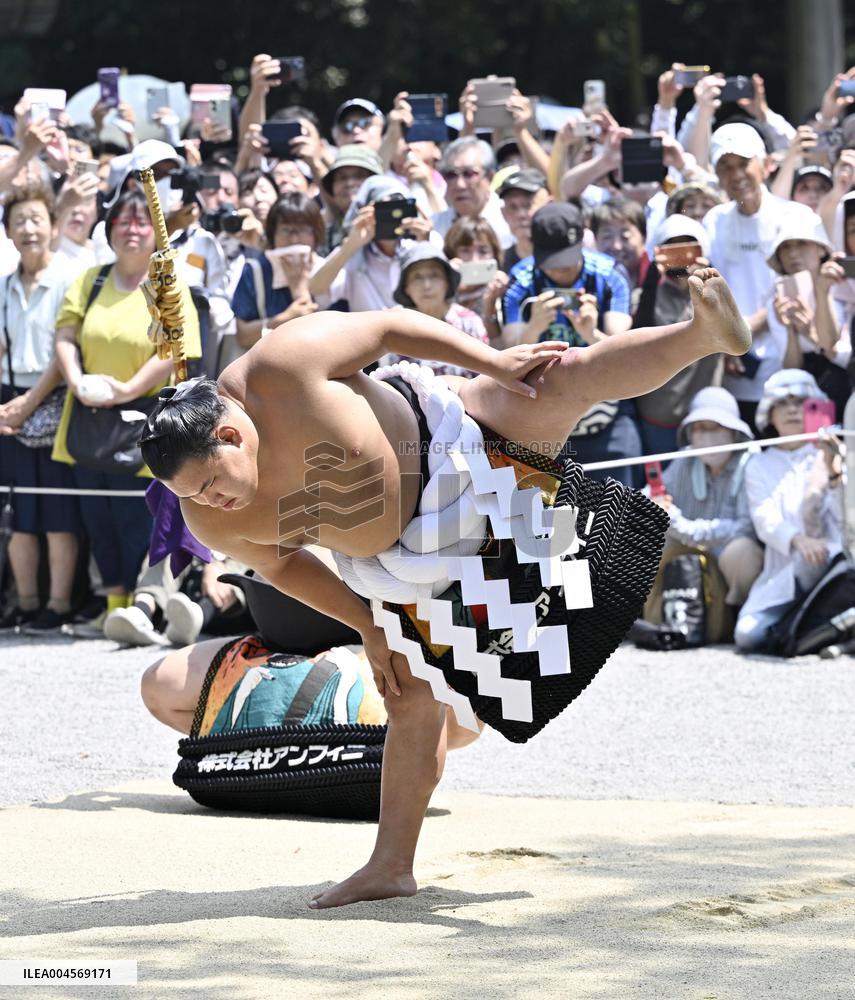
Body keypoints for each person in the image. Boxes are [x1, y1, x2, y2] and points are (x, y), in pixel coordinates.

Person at [139, 266, 750, 909]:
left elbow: (387, 327)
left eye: (211, 483)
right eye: (192, 497)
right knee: (409, 700)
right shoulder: (208, 512)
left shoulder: (283, 363)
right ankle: (391, 865)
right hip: (398, 569)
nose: (213, 504)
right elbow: (286, 565)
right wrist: (371, 628)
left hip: (456, 449)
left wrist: (492, 358)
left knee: (559, 382)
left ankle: (700, 334)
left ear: (231, 434)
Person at [52, 189, 201, 618]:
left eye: (142, 222)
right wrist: (78, 381)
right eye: (123, 221)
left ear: (157, 233)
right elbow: (65, 335)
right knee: (95, 515)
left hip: (144, 420)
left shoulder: (169, 285)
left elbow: (178, 349)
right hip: (87, 415)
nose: (132, 230)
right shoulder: (90, 280)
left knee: (135, 515)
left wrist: (127, 389)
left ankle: (141, 606)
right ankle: (112, 605)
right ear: (109, 228)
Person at [502, 202, 639, 485]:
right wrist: (534, 327)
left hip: (606, 419)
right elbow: (507, 350)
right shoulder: (520, 280)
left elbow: (623, 348)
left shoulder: (611, 274)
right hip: (541, 423)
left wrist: (591, 334)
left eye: (567, 259)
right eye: (553, 262)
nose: (561, 271)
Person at [0, 182, 83, 631]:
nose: (28, 229)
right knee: (17, 508)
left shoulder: (70, 277)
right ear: (8, 233)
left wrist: (28, 404)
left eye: (36, 219)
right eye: (18, 221)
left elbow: (63, 350)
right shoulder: (4, 285)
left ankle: (58, 605)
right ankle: (26, 603)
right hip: (8, 400)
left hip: (53, 397)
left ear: (53, 227)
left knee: (58, 508)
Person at [703, 122, 817, 426]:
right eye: (725, 167)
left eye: (743, 163)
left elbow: (802, 289)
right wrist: (730, 344)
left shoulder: (795, 216)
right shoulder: (713, 221)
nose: (736, 174)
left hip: (792, 362)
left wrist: (739, 335)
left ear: (765, 164)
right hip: (735, 368)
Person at [735, 370, 844, 652]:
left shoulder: (834, 453)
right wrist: (797, 540)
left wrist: (833, 473)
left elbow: (846, 522)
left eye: (800, 401)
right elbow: (764, 518)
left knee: (822, 556)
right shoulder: (758, 464)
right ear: (769, 415)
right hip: (784, 571)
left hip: (834, 562)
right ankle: (807, 629)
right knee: (747, 635)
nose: (792, 409)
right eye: (782, 403)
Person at [643, 387, 764, 639]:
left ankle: (738, 614)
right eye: (700, 428)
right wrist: (655, 505)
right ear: (690, 434)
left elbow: (745, 527)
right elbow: (650, 494)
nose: (707, 437)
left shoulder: (752, 461)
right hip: (689, 558)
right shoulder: (685, 458)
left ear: (733, 432)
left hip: (725, 557)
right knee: (647, 533)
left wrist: (683, 526)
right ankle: (649, 614)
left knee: (743, 551)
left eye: (716, 427)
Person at [633, 214, 723, 455]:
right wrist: (652, 280)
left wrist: (706, 283)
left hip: (705, 413)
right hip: (660, 412)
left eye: (688, 249)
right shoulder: (645, 298)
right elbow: (640, 336)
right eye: (673, 250)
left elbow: (726, 328)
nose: (681, 260)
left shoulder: (718, 292)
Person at [765, 213, 851, 419]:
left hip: (844, 385)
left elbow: (840, 355)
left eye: (801, 243)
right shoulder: (777, 300)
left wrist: (810, 331)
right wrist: (790, 329)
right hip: (802, 397)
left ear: (821, 248)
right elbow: (791, 367)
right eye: (785, 247)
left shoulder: (842, 289)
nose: (793, 253)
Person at [231, 193, 328, 350]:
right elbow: (243, 336)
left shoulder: (330, 272)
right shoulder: (255, 272)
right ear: (273, 234)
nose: (294, 239)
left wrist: (299, 290)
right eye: (286, 230)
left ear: (316, 234)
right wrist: (283, 320)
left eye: (303, 230)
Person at [390, 242, 487, 376]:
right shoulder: (397, 327)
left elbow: (485, 376)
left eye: (434, 275)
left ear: (447, 282)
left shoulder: (469, 322)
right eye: (417, 277)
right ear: (406, 287)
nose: (427, 285)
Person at [430, 137, 512, 248]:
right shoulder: (434, 227)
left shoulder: (510, 219)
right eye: (451, 175)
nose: (459, 184)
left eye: (469, 174)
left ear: (489, 176)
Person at [443, 216, 508, 340]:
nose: (475, 259)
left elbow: (498, 347)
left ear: (494, 254)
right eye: (465, 251)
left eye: (483, 251)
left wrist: (490, 306)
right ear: (452, 253)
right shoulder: (443, 288)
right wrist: (447, 284)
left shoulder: (502, 290)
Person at [319, 144, 383, 254]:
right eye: (342, 178)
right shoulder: (323, 236)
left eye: (359, 176)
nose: (350, 183)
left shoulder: (395, 223)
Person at [496, 167, 551, 273]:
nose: (520, 215)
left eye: (528, 205)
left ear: (550, 205)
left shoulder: (568, 261)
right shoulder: (499, 266)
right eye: (513, 207)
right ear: (503, 214)